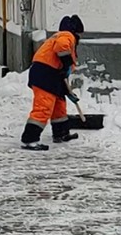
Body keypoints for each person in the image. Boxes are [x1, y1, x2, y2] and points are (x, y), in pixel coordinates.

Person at [21, 15, 84, 151]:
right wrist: (66, 63)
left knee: (59, 104)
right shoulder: (66, 35)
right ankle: (30, 140)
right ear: (75, 30)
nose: (80, 36)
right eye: (79, 33)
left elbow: (60, 64)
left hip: (52, 74)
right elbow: (61, 48)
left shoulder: (61, 36)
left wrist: (67, 90)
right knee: (43, 107)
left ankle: (61, 134)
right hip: (45, 74)